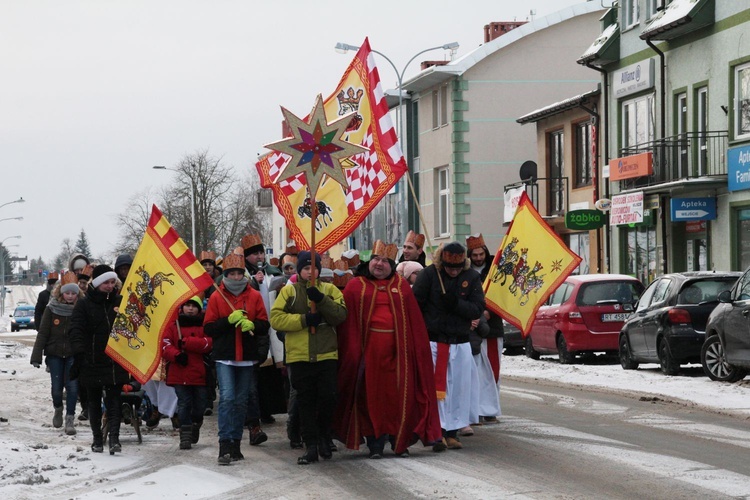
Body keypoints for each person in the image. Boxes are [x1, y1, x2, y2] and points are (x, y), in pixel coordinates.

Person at [335, 240, 442, 458]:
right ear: (369, 261)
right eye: (376, 259)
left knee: (399, 397)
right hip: (368, 354)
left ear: (393, 265)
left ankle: (398, 441)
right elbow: (346, 324)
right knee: (370, 398)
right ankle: (375, 443)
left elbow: (414, 322)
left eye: (385, 261)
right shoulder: (356, 285)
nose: (380, 264)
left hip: (398, 354)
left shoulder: (401, 286)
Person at [270, 250, 347, 465]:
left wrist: (321, 300)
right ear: (299, 270)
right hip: (300, 356)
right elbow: (276, 318)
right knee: (305, 402)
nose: (310, 272)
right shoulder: (289, 292)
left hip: (326, 354)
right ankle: (310, 444)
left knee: (328, 398)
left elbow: (340, 316)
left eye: (314, 268)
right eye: (305, 268)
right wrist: (304, 320)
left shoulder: (329, 289)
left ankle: (324, 437)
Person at [412, 242, 484, 450]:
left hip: (460, 342)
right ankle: (437, 431)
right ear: (442, 264)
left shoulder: (471, 278)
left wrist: (456, 304)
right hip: (434, 341)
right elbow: (416, 305)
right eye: (450, 268)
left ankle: (453, 432)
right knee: (436, 388)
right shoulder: (428, 275)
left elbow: (477, 308)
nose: (454, 272)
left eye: (457, 268)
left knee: (458, 389)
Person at [204, 253, 270, 465]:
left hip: (247, 357)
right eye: (231, 273)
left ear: (244, 274)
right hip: (225, 357)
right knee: (227, 397)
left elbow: (264, 324)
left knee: (241, 401)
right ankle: (224, 443)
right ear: (225, 275)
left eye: (238, 273)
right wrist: (228, 321)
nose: (235, 277)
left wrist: (253, 324)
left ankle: (236, 443)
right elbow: (209, 327)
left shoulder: (254, 296)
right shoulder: (217, 296)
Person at [69, 264, 129, 454]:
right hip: (91, 359)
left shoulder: (120, 301)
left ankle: (114, 439)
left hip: (114, 359)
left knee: (114, 401)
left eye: (113, 282)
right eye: (106, 282)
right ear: (97, 283)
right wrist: (79, 353)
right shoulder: (84, 304)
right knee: (94, 401)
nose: (110, 286)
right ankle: (97, 439)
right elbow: (76, 329)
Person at [241, 234, 285, 430]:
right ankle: (251, 413)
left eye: (261, 253)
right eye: (255, 254)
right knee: (252, 374)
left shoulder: (271, 272)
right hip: (250, 328)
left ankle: (267, 410)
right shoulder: (240, 273)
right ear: (247, 257)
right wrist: (252, 283)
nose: (259, 257)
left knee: (269, 374)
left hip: (269, 325)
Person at [30, 271, 81, 435]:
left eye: (74, 293)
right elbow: (43, 333)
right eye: (68, 292)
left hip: (74, 354)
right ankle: (58, 408)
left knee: (72, 388)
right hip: (54, 355)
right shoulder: (51, 309)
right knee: (57, 389)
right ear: (61, 292)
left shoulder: (81, 309)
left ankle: (70, 418)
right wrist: (36, 356)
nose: (71, 296)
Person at [162, 296, 213, 450]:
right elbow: (165, 345)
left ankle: (196, 423)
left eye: (194, 306)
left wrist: (186, 343)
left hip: (199, 373)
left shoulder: (205, 325)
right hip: (179, 372)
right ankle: (185, 434)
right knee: (184, 403)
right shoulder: (173, 326)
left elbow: (208, 343)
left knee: (199, 405)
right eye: (187, 305)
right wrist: (176, 355)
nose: (190, 309)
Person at [463, 233, 500, 434]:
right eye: (474, 255)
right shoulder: (466, 271)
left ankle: (489, 409)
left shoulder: (496, 269)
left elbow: (502, 295)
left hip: (491, 326)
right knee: (475, 372)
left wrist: (489, 312)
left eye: (480, 253)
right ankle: (475, 409)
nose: (478, 258)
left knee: (491, 370)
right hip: (472, 328)